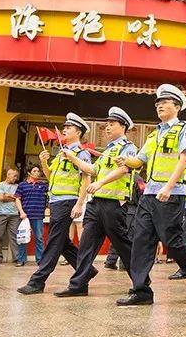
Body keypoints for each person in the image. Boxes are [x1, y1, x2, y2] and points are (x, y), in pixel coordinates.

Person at [116, 85, 186, 306]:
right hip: (149, 195)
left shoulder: (184, 128)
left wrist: (168, 187)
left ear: (177, 106)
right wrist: (125, 161)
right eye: (158, 102)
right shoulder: (154, 133)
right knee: (141, 240)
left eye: (165, 102)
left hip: (171, 194)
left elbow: (184, 159)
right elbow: (140, 161)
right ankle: (140, 291)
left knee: (173, 242)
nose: (159, 105)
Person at [52, 107, 139, 297]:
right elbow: (91, 170)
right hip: (96, 204)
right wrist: (74, 157)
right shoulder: (108, 150)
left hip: (114, 204)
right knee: (86, 244)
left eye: (112, 124)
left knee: (123, 245)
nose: (107, 127)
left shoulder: (128, 147)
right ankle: (78, 285)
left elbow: (124, 169)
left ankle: (141, 282)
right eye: (106, 124)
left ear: (123, 126)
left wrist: (100, 183)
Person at [17, 113, 96, 295]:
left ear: (78, 132)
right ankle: (87, 270)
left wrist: (79, 203)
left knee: (53, 241)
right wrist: (44, 162)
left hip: (67, 201)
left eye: (68, 128)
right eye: (64, 127)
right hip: (55, 201)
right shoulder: (61, 153)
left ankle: (38, 281)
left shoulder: (81, 153)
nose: (64, 130)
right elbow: (51, 176)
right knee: (62, 242)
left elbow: (86, 179)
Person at [14, 166, 48, 266]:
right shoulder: (22, 185)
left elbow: (48, 198)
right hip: (25, 216)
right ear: (29, 173)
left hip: (38, 215)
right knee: (22, 237)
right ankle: (21, 260)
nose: (37, 173)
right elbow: (17, 199)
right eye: (34, 171)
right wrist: (21, 212)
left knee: (39, 238)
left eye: (38, 171)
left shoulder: (43, 186)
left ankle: (40, 260)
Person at [0, 168, 23, 264]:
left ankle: (17, 258)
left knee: (14, 237)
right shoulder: (0, 185)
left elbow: (19, 198)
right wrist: (13, 197)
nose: (16, 178)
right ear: (8, 174)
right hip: (1, 213)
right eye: (14, 176)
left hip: (14, 214)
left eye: (16, 176)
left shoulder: (18, 186)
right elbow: (1, 198)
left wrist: (8, 195)